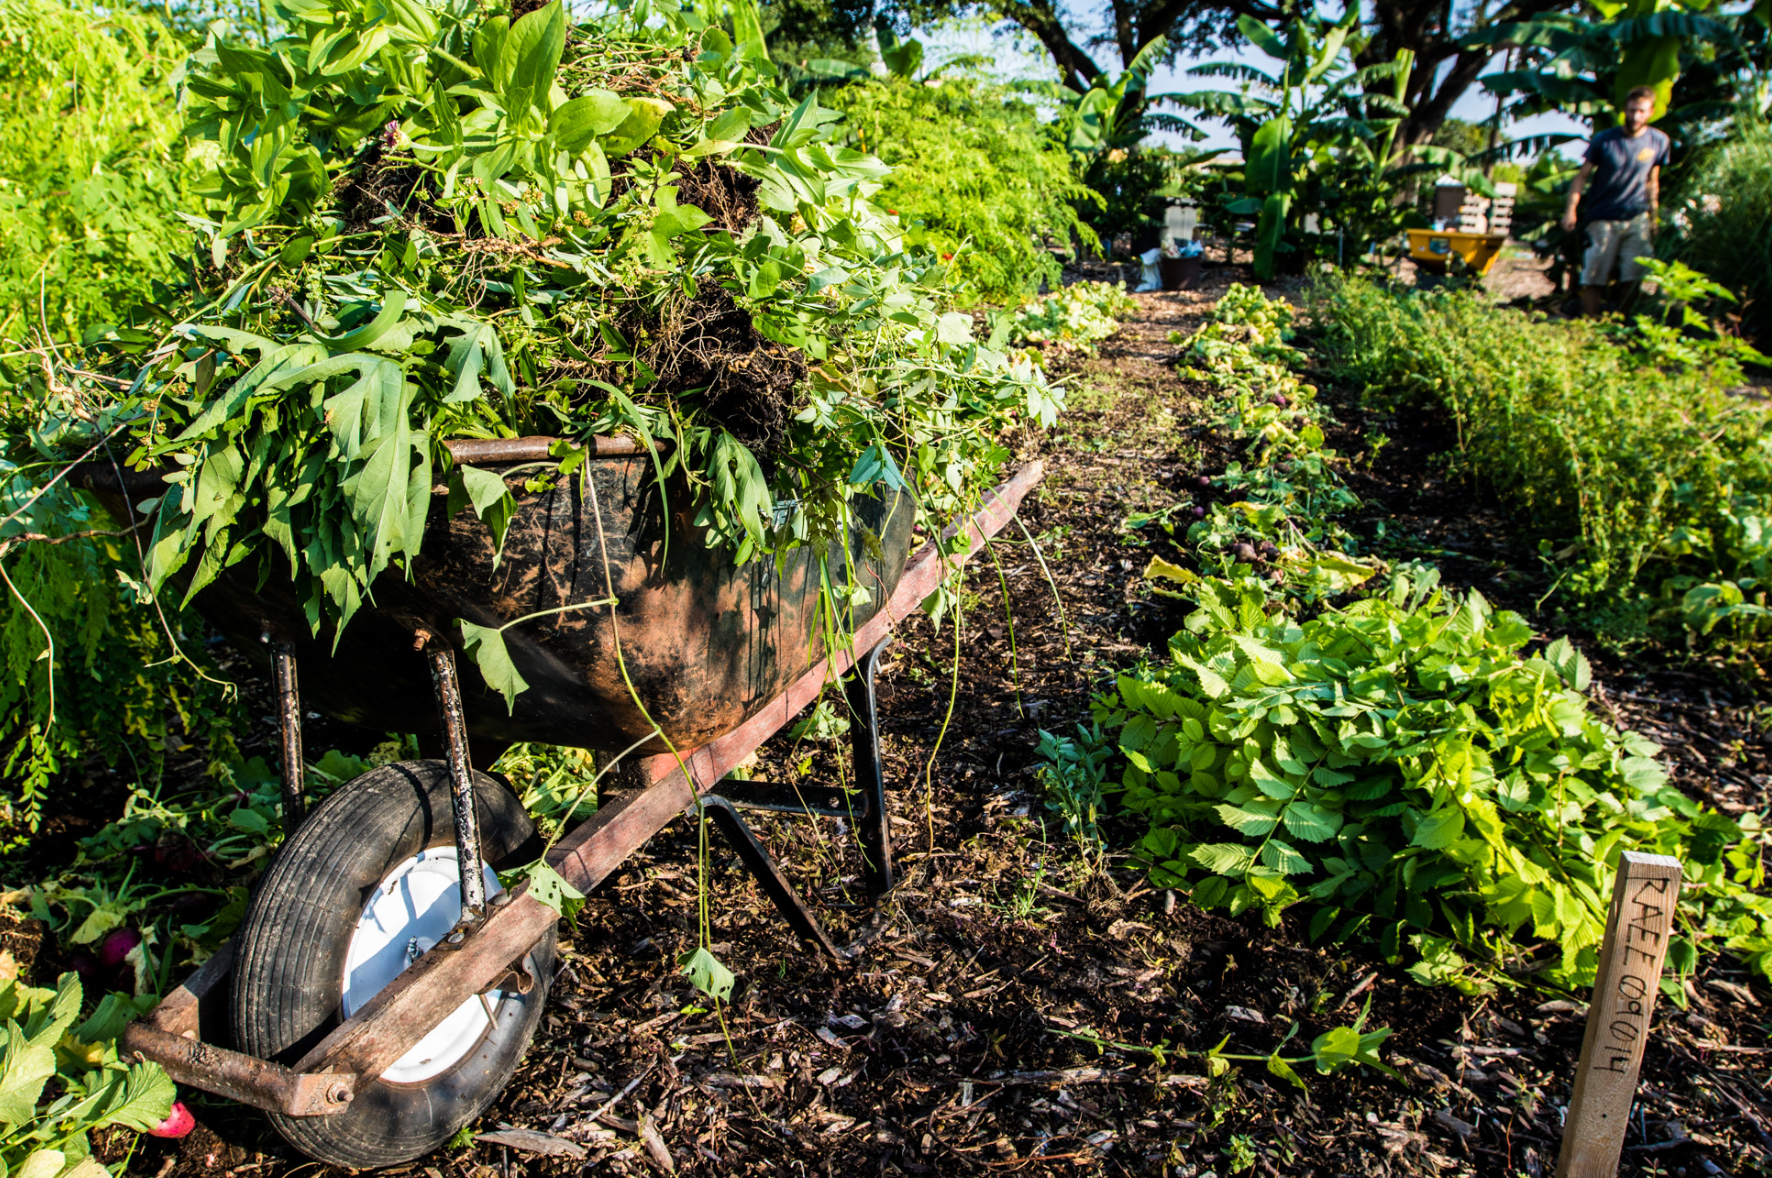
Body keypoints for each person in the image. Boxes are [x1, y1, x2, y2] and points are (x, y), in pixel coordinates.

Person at [1559, 85, 1671, 317]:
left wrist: (1654, 216)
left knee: (1634, 273)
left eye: (1641, 111)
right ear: (1624, 110)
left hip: (1637, 216)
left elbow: (1653, 181)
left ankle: (1621, 323)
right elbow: (1582, 177)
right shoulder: (1605, 140)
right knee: (1595, 274)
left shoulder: (1659, 141)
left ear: (1650, 112)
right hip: (1602, 217)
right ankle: (1589, 323)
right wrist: (1571, 210)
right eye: (1631, 111)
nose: (1635, 116)